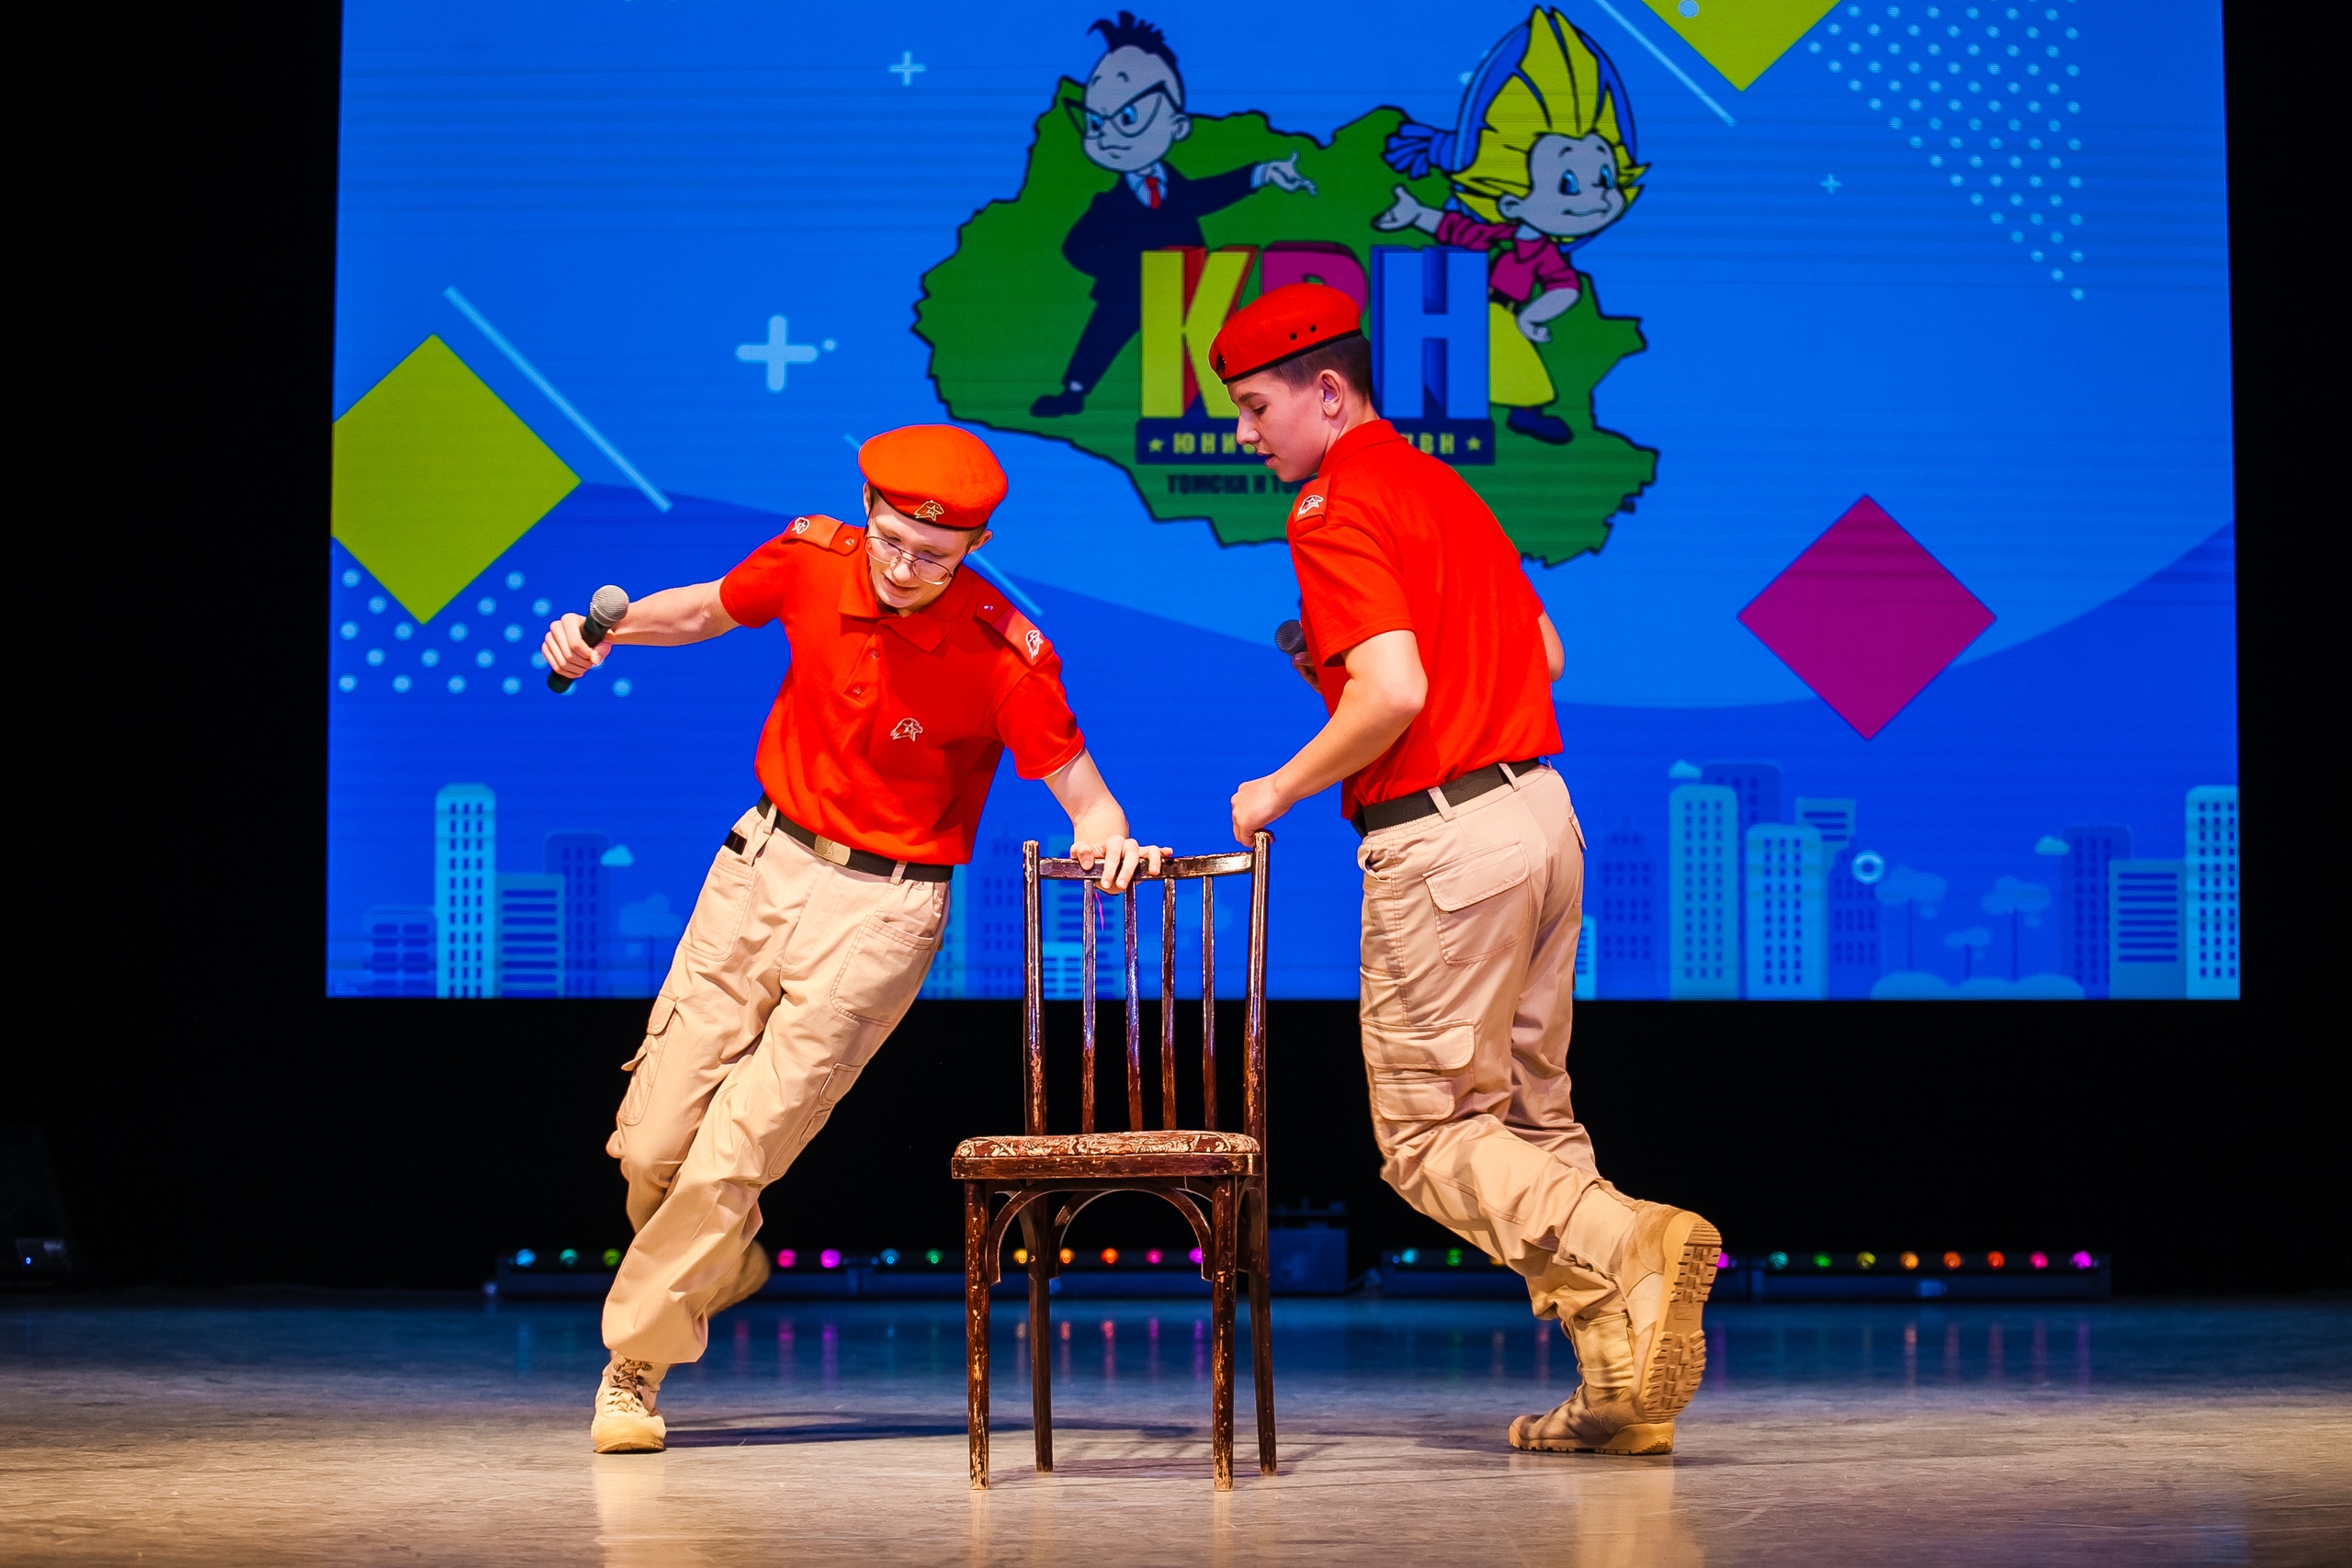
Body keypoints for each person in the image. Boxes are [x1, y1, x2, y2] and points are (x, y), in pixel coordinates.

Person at [542, 424, 1164, 1454]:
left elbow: (1087, 797)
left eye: (936, 554)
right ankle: (720, 1258)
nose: (906, 568)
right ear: (868, 509)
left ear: (973, 546)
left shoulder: (1003, 650)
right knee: (651, 1146)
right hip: (760, 866)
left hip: (884, 912)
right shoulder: (810, 558)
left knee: (736, 1153)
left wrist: (1109, 840)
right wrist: (604, 634)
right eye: (893, 540)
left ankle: (633, 1370)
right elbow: (707, 607)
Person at [1212, 283, 1718, 1456]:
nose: (1244, 434)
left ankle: (1631, 1240)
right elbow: (1544, 650)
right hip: (1540, 815)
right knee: (1532, 1117)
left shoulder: (1331, 505)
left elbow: (1394, 692)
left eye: (1254, 407)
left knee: (1430, 1135)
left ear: (1325, 392)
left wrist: (1276, 789)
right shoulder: (1443, 485)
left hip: (1444, 840)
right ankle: (1621, 1392)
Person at [1374, 7, 1645, 445]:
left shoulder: (1542, 252)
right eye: (1569, 183)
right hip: (1463, 310)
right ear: (1511, 201)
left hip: (1499, 314)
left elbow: (1564, 287)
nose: (1596, 198)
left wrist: (1533, 317)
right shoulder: (1496, 236)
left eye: (1603, 178)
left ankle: (1523, 413)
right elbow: (1454, 229)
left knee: (1514, 367)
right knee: (1441, 359)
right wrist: (1416, 214)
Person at [1030, 10, 1317, 418]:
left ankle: (1226, 402)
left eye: (1127, 117)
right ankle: (1074, 391)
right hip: (1126, 293)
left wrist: (1263, 173)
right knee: (1103, 335)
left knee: (1211, 344)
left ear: (1178, 126)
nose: (1107, 134)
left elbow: (1210, 192)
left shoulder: (1177, 189)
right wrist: (1120, 267)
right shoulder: (1108, 205)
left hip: (1188, 287)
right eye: (1094, 122)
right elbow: (1075, 247)